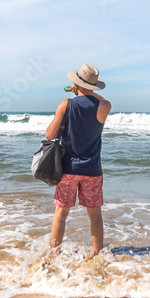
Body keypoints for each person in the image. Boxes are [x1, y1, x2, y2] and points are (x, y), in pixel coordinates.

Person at [46, 63, 111, 258]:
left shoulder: (66, 104)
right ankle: (97, 254)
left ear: (75, 84)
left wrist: (78, 93)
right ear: (93, 85)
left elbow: (50, 135)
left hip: (67, 169)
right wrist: (87, 91)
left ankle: (54, 253)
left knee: (61, 214)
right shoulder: (104, 106)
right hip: (92, 169)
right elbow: (101, 99)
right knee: (95, 215)